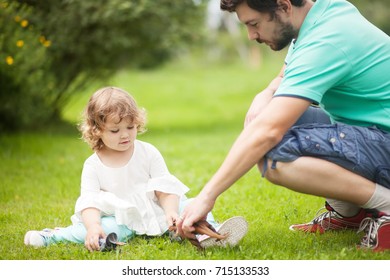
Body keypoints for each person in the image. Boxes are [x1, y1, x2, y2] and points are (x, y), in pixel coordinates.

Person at [177, 0, 390, 251]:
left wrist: (206, 197)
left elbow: (267, 132)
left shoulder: (326, 41)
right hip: (374, 134)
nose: (251, 35)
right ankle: (349, 213)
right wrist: (265, 94)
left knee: (273, 158)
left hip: (382, 140)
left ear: (284, 6)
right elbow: (284, 75)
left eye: (254, 24)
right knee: (268, 122)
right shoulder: (322, 14)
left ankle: (386, 205)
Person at [24, 87, 248, 251]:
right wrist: (93, 227)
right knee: (103, 229)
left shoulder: (147, 152)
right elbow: (89, 203)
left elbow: (164, 188)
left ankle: (211, 232)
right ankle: (51, 237)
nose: (125, 135)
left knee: (191, 205)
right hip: (121, 216)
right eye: (115, 130)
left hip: (156, 208)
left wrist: (171, 211)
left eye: (130, 127)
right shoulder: (93, 165)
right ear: (96, 131)